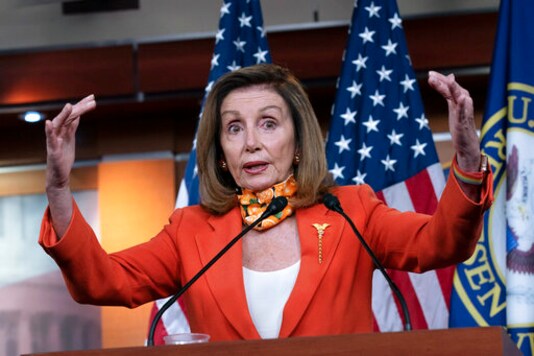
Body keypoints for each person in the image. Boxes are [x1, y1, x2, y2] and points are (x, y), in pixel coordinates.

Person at [39, 64, 493, 341]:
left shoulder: (351, 210)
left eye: (268, 124)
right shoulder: (189, 230)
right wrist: (59, 189)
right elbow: (102, 282)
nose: (251, 143)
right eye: (234, 128)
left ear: (298, 142)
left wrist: (468, 159)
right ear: (220, 150)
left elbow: (442, 242)